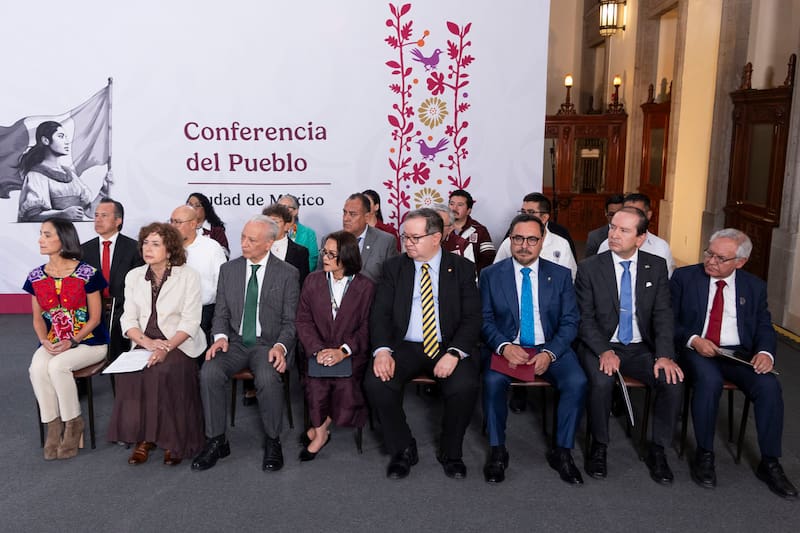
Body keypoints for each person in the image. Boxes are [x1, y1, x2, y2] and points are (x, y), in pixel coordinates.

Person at [671, 229, 797, 499]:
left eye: (720, 258)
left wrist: (765, 352)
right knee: (709, 381)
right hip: (698, 349)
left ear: (740, 262)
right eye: (709, 253)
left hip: (737, 354)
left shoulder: (754, 286)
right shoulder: (684, 277)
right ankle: (705, 454)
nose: (711, 261)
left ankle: (770, 462)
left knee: (769, 387)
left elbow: (764, 325)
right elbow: (668, 320)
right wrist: (693, 340)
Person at [364, 208, 480, 480]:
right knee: (376, 382)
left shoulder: (461, 268)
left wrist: (455, 353)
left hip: (447, 345)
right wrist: (381, 351)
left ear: (436, 238)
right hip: (404, 345)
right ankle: (403, 447)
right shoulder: (394, 267)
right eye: (406, 237)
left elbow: (473, 317)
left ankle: (451, 452)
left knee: (465, 386)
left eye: (415, 238)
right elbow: (379, 313)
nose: (408, 243)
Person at [575, 206, 683, 484]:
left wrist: (665, 355)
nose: (614, 234)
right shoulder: (589, 268)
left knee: (671, 381)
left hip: (639, 347)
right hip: (601, 343)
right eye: (612, 227)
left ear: (641, 237)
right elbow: (584, 319)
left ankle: (658, 450)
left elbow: (663, 315)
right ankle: (599, 445)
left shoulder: (655, 266)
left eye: (623, 230)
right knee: (601, 383)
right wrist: (604, 350)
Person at [480, 213, 587, 485]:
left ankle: (562, 451)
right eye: (518, 238)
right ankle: (497, 450)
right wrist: (503, 346)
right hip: (509, 347)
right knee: (492, 381)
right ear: (510, 240)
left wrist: (550, 352)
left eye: (531, 239)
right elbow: (483, 319)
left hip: (549, 346)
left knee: (577, 381)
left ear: (542, 242)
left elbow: (570, 321)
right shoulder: (491, 275)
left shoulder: (560, 275)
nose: (524, 245)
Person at [192, 215, 299, 472]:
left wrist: (281, 347)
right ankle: (216, 440)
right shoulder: (229, 270)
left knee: (267, 379)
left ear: (269, 243)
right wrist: (219, 338)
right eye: (243, 237)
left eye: (252, 239)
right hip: (235, 343)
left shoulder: (287, 274)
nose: (244, 243)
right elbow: (221, 314)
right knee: (209, 372)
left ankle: (273, 441)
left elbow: (290, 321)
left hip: (268, 344)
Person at [107, 222, 206, 466]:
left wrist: (165, 348)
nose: (147, 249)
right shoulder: (134, 276)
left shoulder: (188, 276)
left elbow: (191, 321)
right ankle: (144, 438)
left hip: (179, 343)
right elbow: (127, 319)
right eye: (145, 243)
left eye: (155, 244)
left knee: (165, 371)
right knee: (131, 374)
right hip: (145, 341)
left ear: (170, 249)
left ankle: (174, 439)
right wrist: (147, 343)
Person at [25, 217, 108, 460]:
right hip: (53, 341)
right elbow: (38, 318)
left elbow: (95, 318)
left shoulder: (87, 273)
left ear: (63, 239)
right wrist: (45, 341)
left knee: (58, 366)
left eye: (47, 234)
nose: (41, 239)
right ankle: (53, 426)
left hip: (90, 341)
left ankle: (74, 424)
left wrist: (73, 340)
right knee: (37, 368)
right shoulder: (36, 276)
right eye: (41, 234)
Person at [295, 231, 375, 460]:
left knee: (346, 387)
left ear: (347, 257)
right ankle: (320, 434)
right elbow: (303, 320)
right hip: (316, 351)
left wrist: (343, 351)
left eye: (332, 254)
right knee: (315, 384)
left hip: (350, 354)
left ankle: (320, 425)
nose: (324, 258)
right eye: (324, 252)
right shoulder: (312, 280)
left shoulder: (366, 287)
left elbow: (367, 327)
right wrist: (318, 350)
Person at [81, 198, 143, 361]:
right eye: (96, 215)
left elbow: (139, 287)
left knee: (117, 328)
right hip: (92, 307)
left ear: (118, 220)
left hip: (123, 307)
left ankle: (118, 373)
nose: (98, 219)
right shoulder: (84, 250)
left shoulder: (134, 249)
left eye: (104, 215)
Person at [17, 121, 102, 222]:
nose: (66, 141)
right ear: (45, 140)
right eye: (61, 136)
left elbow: (89, 212)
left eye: (66, 137)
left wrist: (104, 191)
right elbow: (32, 216)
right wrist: (62, 214)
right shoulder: (36, 175)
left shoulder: (70, 174)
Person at [170, 205, 227, 343]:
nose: (173, 226)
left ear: (193, 224)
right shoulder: (166, 248)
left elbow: (223, 284)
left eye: (178, 222)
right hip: (171, 313)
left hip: (204, 313)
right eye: (171, 221)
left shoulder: (211, 247)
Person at [494, 193, 577, 280]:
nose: (524, 217)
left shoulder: (561, 244)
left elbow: (571, 278)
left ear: (544, 218)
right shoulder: (509, 242)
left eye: (531, 212)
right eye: (523, 212)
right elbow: (495, 273)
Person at [597, 193, 675, 276]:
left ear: (648, 215)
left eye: (637, 212)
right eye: (627, 211)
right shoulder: (607, 245)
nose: (630, 216)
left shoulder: (661, 247)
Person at [330, 192, 398, 282]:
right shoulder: (330, 241)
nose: (346, 218)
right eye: (344, 212)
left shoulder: (386, 242)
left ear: (366, 217)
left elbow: (392, 281)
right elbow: (321, 279)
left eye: (352, 214)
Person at [446, 189, 495, 272]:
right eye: (451, 204)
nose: (454, 208)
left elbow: (488, 259)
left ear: (469, 210)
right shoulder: (439, 228)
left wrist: (471, 274)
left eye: (460, 205)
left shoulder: (480, 230)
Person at [262, 204, 310, 287]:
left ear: (287, 226)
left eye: (275, 222)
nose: (270, 226)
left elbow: (303, 284)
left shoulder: (301, 252)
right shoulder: (258, 249)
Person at [278, 193, 318, 271]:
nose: (281, 211)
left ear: (295, 211)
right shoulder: (272, 232)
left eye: (286, 208)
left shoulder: (308, 233)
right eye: (279, 208)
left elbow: (313, 260)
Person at [186, 192, 230, 257]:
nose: (192, 208)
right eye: (190, 205)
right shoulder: (182, 228)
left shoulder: (216, 230)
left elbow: (225, 254)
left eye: (197, 205)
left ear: (206, 209)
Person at [584, 194, 624, 259]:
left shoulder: (633, 234)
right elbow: (589, 264)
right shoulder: (594, 237)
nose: (615, 217)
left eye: (619, 213)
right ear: (606, 213)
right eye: (611, 214)